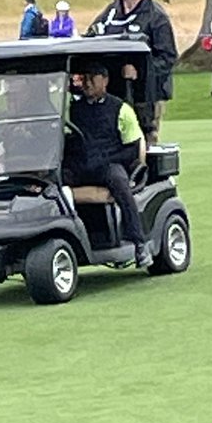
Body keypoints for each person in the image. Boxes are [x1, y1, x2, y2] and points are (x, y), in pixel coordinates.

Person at [64, 61, 152, 268]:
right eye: (82, 79)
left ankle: (139, 243)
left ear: (104, 80)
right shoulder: (73, 109)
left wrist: (106, 157)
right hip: (81, 165)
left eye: (91, 78)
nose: (85, 83)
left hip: (108, 164)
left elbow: (132, 148)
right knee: (53, 183)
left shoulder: (121, 109)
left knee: (119, 182)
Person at [88, 0, 177, 143]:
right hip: (115, 91)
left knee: (144, 139)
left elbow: (168, 57)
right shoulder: (111, 12)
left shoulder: (155, 16)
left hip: (147, 95)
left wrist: (141, 71)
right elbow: (92, 36)